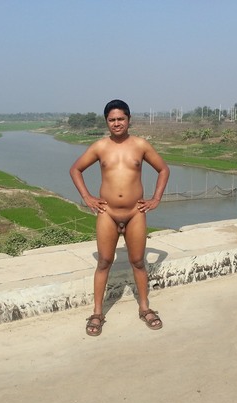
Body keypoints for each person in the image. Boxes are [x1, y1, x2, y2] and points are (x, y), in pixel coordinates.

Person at [69, 99, 170, 336]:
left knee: (138, 261)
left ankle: (145, 308)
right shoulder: (100, 147)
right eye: (112, 119)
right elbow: (75, 169)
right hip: (108, 213)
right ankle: (97, 313)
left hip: (135, 212)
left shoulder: (140, 145)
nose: (116, 123)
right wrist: (87, 197)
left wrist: (156, 198)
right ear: (106, 121)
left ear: (128, 119)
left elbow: (163, 169)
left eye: (120, 119)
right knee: (104, 261)